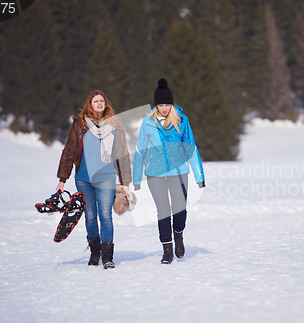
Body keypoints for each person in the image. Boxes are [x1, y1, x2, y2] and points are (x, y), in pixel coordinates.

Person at [56, 90, 131, 269]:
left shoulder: (115, 126)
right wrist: (62, 179)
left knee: (105, 216)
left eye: (102, 101)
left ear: (106, 104)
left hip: (105, 177)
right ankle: (95, 252)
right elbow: (69, 151)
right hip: (83, 178)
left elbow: (122, 155)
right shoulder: (79, 124)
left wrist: (125, 181)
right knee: (90, 216)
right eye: (95, 101)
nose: (99, 103)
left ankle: (107, 256)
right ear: (90, 104)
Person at [133, 78, 205, 264]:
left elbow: (191, 147)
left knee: (180, 210)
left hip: (179, 172)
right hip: (155, 174)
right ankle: (167, 249)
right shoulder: (148, 123)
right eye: (160, 105)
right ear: (156, 105)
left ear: (171, 105)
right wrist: (136, 177)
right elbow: (140, 150)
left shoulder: (182, 120)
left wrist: (199, 175)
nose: (164, 108)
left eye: (167, 104)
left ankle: (178, 235)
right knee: (163, 211)